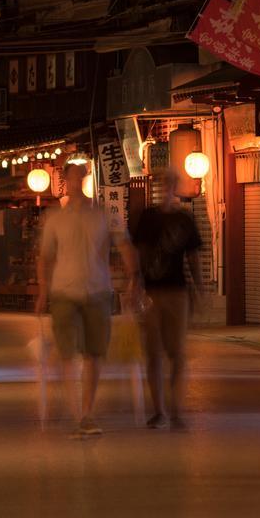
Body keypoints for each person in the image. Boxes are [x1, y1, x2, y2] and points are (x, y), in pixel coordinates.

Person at [35, 162, 137, 437]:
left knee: (94, 353)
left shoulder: (104, 214)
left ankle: (87, 411)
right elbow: (44, 257)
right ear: (64, 181)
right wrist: (43, 290)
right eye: (70, 177)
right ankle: (79, 412)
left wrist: (133, 279)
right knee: (68, 353)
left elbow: (124, 245)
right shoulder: (55, 217)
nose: (75, 182)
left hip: (97, 290)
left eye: (79, 176)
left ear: (84, 179)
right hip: (64, 291)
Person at [132, 168, 202, 430]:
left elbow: (193, 256)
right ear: (159, 186)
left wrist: (199, 287)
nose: (168, 187)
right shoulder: (148, 217)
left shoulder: (185, 219)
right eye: (164, 182)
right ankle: (159, 410)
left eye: (172, 182)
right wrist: (135, 283)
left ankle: (176, 410)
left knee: (177, 353)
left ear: (177, 185)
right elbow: (139, 252)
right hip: (152, 292)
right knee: (153, 353)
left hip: (177, 291)